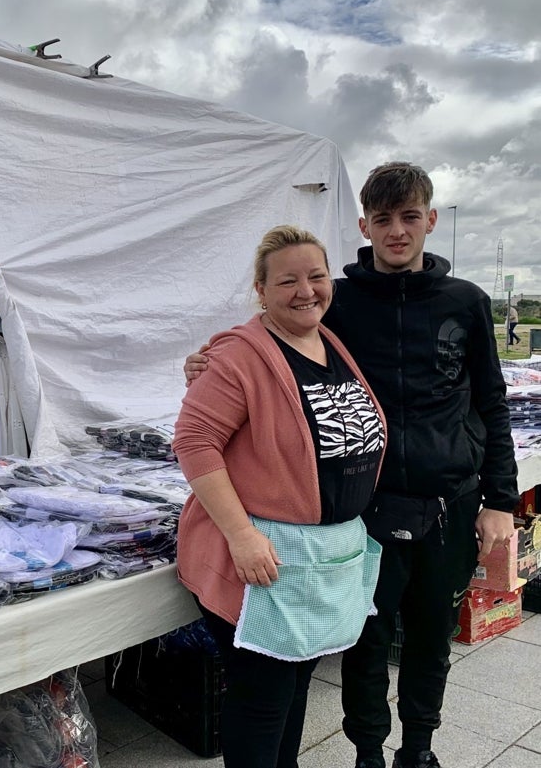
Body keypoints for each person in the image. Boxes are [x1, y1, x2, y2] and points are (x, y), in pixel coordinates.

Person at [183, 162, 518, 768]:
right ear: (364, 225)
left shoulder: (466, 303)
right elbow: (272, 342)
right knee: (361, 638)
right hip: (368, 511)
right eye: (383, 219)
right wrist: (205, 362)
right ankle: (367, 753)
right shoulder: (339, 303)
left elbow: (490, 401)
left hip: (450, 501)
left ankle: (417, 751)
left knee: (430, 639)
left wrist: (501, 499)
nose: (397, 231)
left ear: (430, 221)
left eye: (410, 216)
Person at [174, 225, 387, 768]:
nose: (305, 290)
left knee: (293, 691)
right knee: (263, 699)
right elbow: (195, 443)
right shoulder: (241, 356)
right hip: (263, 561)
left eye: (316, 276)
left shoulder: (329, 341)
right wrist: (241, 535)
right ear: (261, 290)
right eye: (287, 280)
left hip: (320, 561)